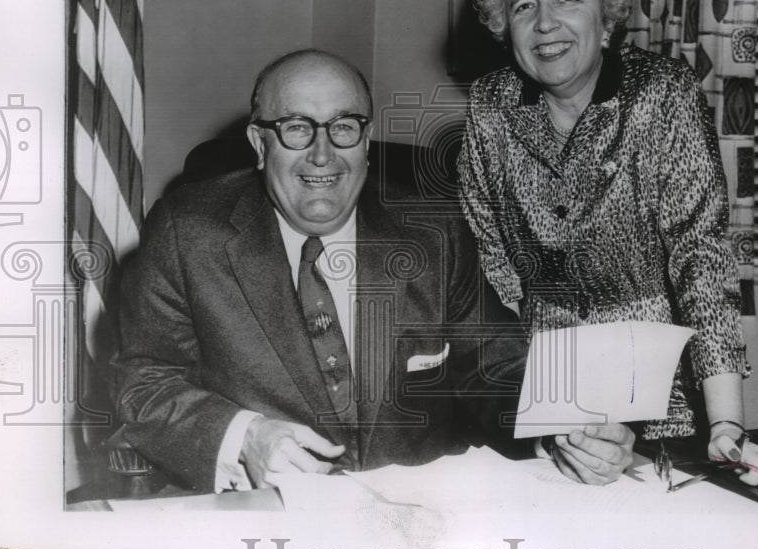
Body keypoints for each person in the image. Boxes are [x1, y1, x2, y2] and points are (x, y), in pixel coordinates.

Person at [457, 0, 758, 488]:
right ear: (504, 26)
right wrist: (546, 415)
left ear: (605, 15)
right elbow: (491, 270)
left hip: (661, 413)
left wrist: (727, 424)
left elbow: (701, 258)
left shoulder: (662, 93)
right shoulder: (490, 106)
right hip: (544, 399)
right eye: (523, 6)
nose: (545, 24)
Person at [114, 50, 537, 493]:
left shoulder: (435, 232)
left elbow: (496, 365)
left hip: (418, 521)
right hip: (261, 516)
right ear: (260, 145)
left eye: (343, 127)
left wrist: (556, 427)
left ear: (366, 140)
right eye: (296, 128)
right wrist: (245, 436)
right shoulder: (186, 232)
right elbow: (141, 383)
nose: (322, 154)